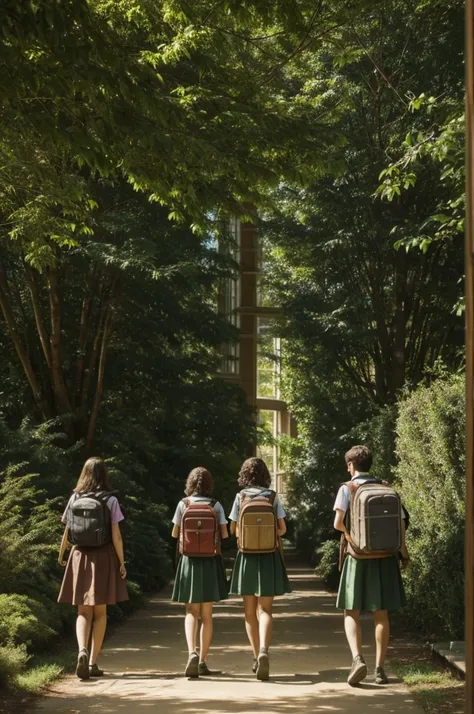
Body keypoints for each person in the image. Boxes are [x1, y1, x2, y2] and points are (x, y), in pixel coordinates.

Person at [333, 444, 409, 686]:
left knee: (350, 611)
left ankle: (357, 659)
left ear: (351, 465)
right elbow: (401, 525)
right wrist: (404, 554)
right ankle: (380, 669)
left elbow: (337, 523)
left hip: (358, 557)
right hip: (385, 557)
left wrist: (351, 537)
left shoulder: (348, 489)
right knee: (381, 614)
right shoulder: (387, 488)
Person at [58, 457, 128, 680]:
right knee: (100, 613)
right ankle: (92, 662)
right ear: (104, 475)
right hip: (103, 556)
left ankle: (81, 650)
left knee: (82, 611)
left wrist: (62, 555)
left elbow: (67, 532)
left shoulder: (74, 498)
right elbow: (116, 535)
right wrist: (122, 562)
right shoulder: (110, 500)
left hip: (79, 555)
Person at [228, 457, 291, 681]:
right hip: (268, 557)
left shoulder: (240, 497)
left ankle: (256, 656)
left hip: (246, 558)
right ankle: (265, 650)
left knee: (249, 612)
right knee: (265, 610)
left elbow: (234, 529)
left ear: (245, 475)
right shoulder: (272, 497)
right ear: (265, 475)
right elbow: (282, 529)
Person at [171, 467, 229, 678]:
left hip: (189, 562)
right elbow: (224, 535)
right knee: (207, 614)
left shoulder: (182, 504)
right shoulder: (216, 505)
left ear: (190, 483)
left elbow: (175, 533)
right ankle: (203, 661)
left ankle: (191, 653)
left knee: (190, 611)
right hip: (210, 562)